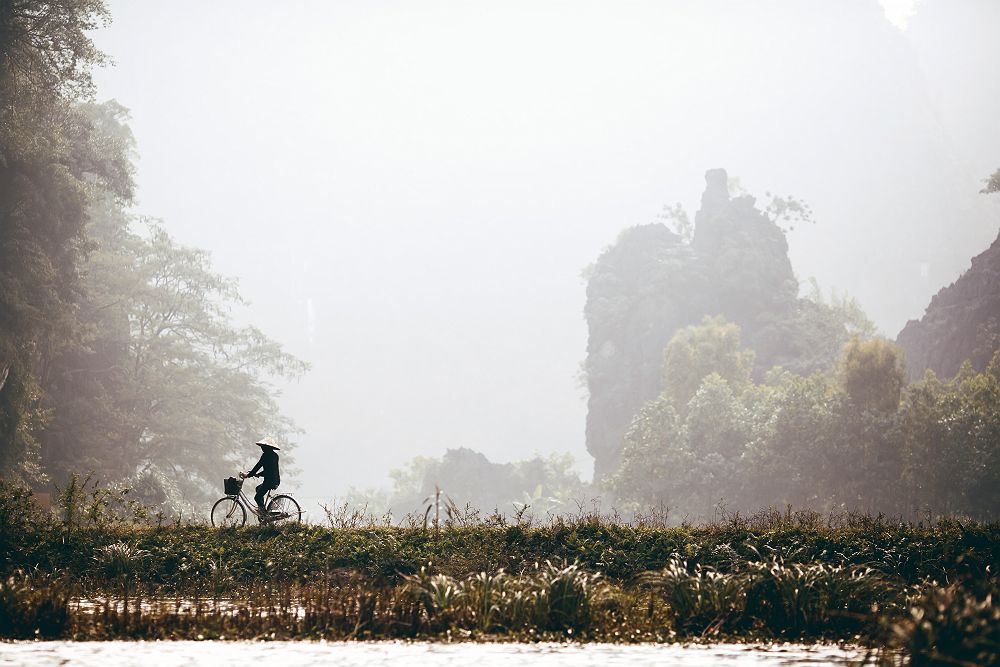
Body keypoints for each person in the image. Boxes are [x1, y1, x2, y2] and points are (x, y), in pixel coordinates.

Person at [242, 437, 281, 514]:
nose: (262, 448)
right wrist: (258, 474)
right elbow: (270, 470)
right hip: (275, 480)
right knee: (258, 488)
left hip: (269, 481)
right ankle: (262, 509)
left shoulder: (266, 455)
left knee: (257, 497)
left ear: (267, 447)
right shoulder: (275, 455)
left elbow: (258, 466)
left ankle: (264, 514)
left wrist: (248, 475)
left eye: (263, 446)